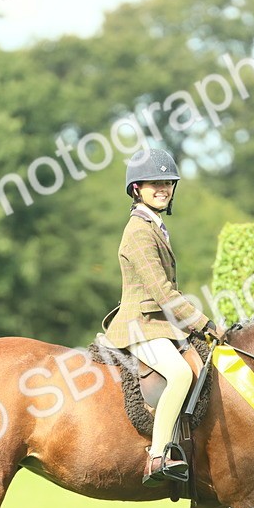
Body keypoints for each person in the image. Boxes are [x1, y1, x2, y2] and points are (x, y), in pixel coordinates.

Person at [101, 147, 226, 486]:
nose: (162, 188)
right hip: (140, 324)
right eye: (153, 183)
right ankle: (157, 456)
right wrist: (206, 324)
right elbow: (163, 293)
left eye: (167, 183)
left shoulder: (156, 226)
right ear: (136, 188)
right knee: (179, 374)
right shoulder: (139, 230)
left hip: (159, 324)